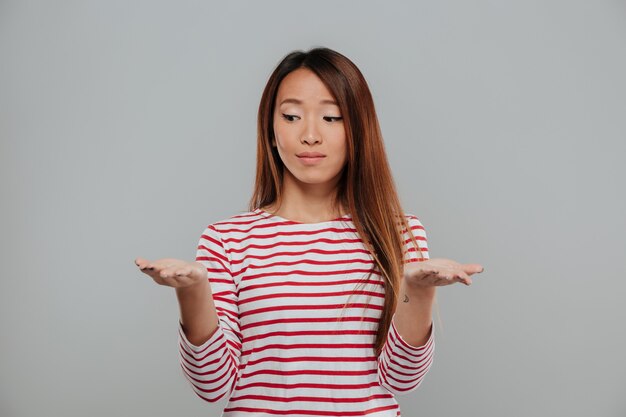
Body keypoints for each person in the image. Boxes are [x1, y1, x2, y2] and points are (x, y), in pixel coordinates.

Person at [135, 46, 484, 417]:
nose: (310, 135)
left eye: (332, 118)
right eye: (291, 116)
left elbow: (401, 380)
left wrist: (418, 291)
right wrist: (192, 294)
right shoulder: (227, 240)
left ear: (358, 131)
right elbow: (213, 386)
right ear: (270, 130)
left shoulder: (398, 233)